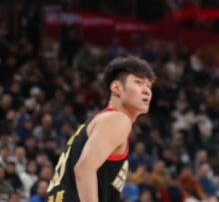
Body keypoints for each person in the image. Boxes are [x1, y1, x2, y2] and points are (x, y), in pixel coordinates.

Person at [46, 56, 155, 202]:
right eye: (139, 82)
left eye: (149, 86)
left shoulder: (101, 120)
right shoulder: (117, 119)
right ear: (116, 88)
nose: (147, 91)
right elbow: (84, 169)